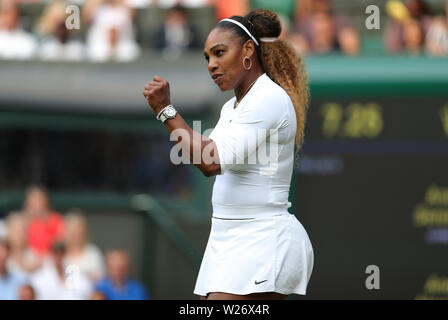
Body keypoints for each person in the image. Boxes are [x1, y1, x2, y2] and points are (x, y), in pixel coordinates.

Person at [142, 8, 313, 300]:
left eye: (220, 52)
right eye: (208, 57)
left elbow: (210, 161)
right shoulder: (231, 108)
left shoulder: (268, 98)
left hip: (263, 239)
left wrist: (165, 111)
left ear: (248, 49)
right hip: (229, 240)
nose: (212, 64)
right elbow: (204, 153)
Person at [63, 210, 105, 282]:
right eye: (72, 231)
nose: (76, 232)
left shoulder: (93, 252)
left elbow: (100, 280)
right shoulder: (58, 253)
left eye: (79, 229)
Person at [23, 185, 65, 257]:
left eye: (40, 198)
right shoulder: (21, 221)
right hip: (26, 259)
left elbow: (61, 242)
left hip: (51, 258)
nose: (37, 202)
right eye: (34, 198)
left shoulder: (55, 219)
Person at [6, 212, 42, 276]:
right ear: (9, 232)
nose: (20, 236)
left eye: (22, 232)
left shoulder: (31, 253)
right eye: (16, 231)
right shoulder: (4, 254)